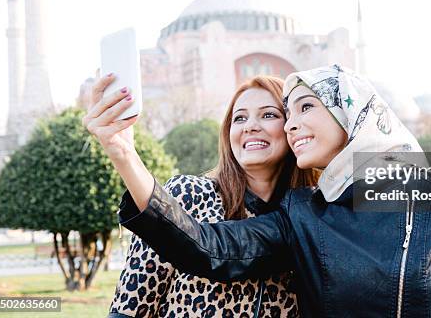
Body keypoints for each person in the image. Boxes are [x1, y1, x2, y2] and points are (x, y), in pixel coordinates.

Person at [89, 65, 431, 317]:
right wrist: (123, 152)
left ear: (351, 115)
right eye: (288, 113)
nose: (291, 123)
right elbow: (209, 249)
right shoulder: (304, 214)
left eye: (306, 107)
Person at [84, 75, 318, 317]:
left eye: (268, 115)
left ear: (292, 127)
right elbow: (131, 306)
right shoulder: (187, 194)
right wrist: (123, 152)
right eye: (239, 118)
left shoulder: (310, 218)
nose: (249, 126)